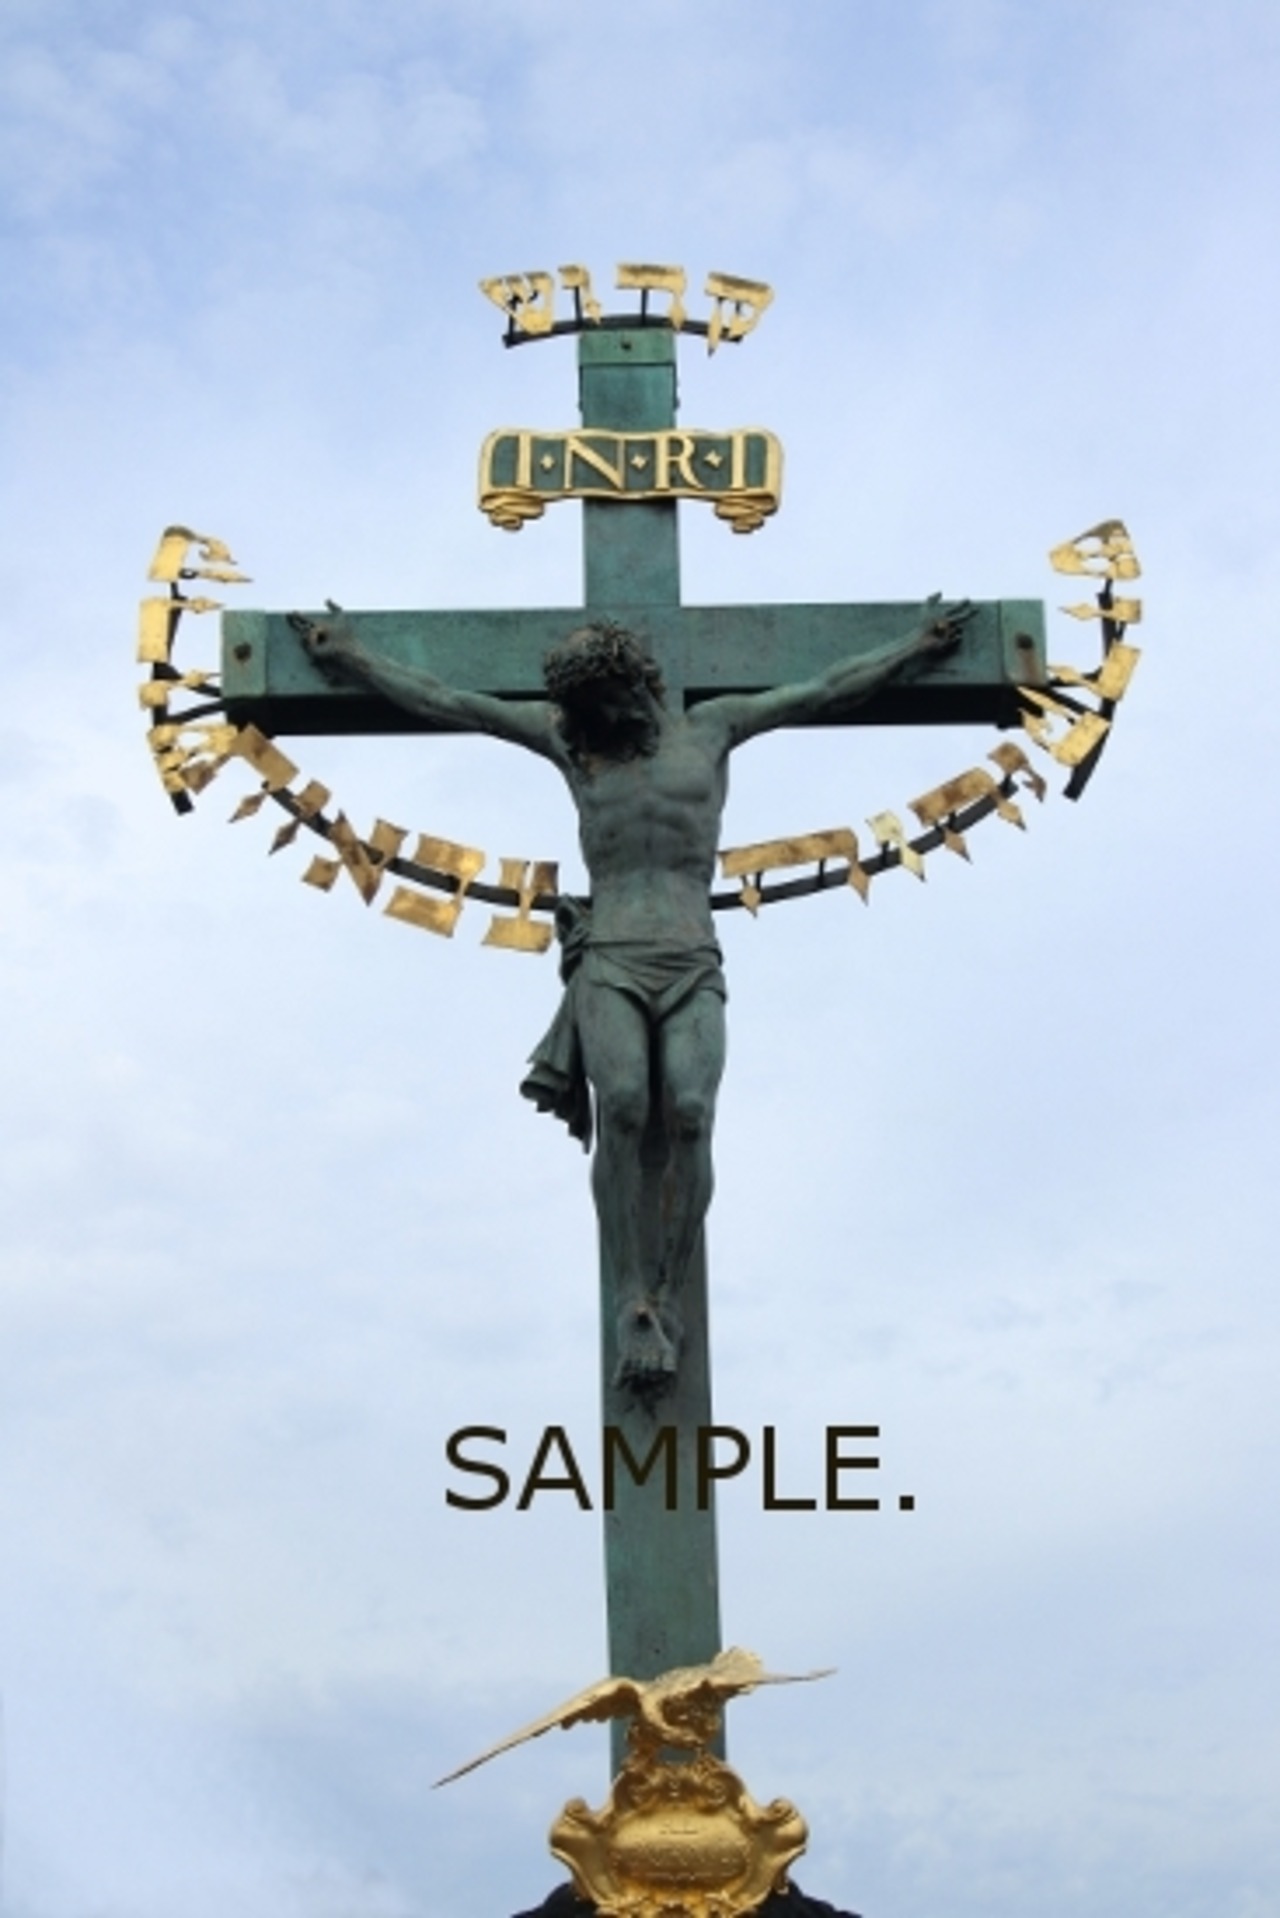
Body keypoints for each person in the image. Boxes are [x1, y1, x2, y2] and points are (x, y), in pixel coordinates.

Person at [298, 601, 970, 1388]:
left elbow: (826, 688)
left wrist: (916, 646)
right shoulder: (572, 741)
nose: (597, 722)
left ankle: (666, 1293)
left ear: (637, 682)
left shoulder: (713, 728)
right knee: (620, 1105)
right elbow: (452, 701)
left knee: (690, 1110)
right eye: (584, 710)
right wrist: (353, 657)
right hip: (611, 955)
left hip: (689, 955)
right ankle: (631, 1297)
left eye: (606, 703)